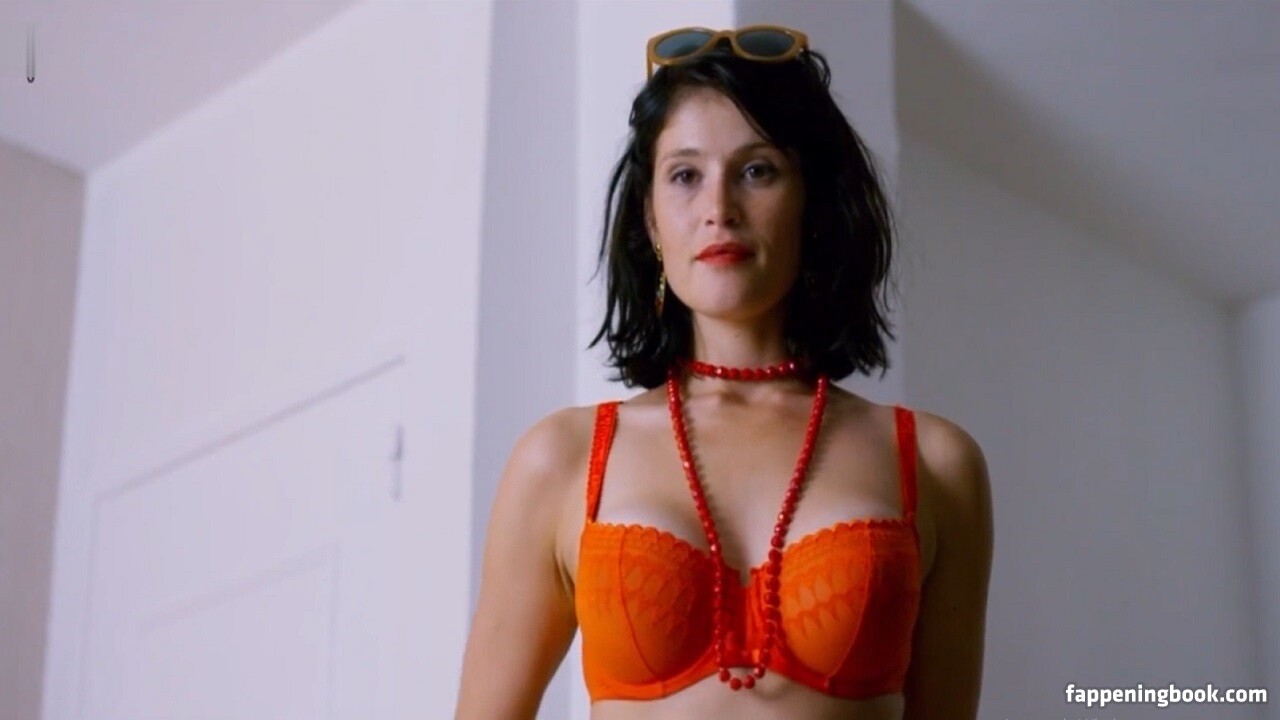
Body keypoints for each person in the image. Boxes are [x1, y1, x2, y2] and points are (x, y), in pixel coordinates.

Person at [455, 25, 993, 720]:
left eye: (757, 170)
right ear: (651, 221)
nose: (718, 210)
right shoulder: (561, 460)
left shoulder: (935, 463)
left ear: (811, 200)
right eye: (685, 175)